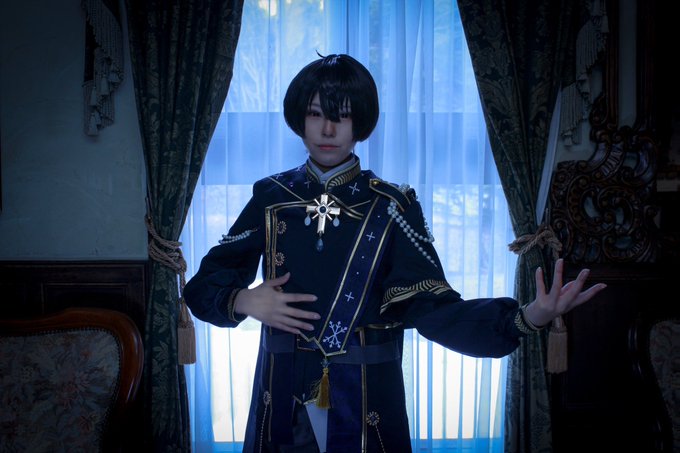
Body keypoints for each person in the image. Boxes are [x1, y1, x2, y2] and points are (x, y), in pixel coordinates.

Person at [183, 53, 607, 453]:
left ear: (360, 122)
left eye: (342, 115)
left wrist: (528, 316)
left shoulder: (392, 206)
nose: (328, 130)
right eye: (315, 114)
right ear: (299, 118)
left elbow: (435, 312)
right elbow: (203, 288)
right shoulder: (272, 197)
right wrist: (244, 300)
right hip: (281, 397)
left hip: (367, 400)